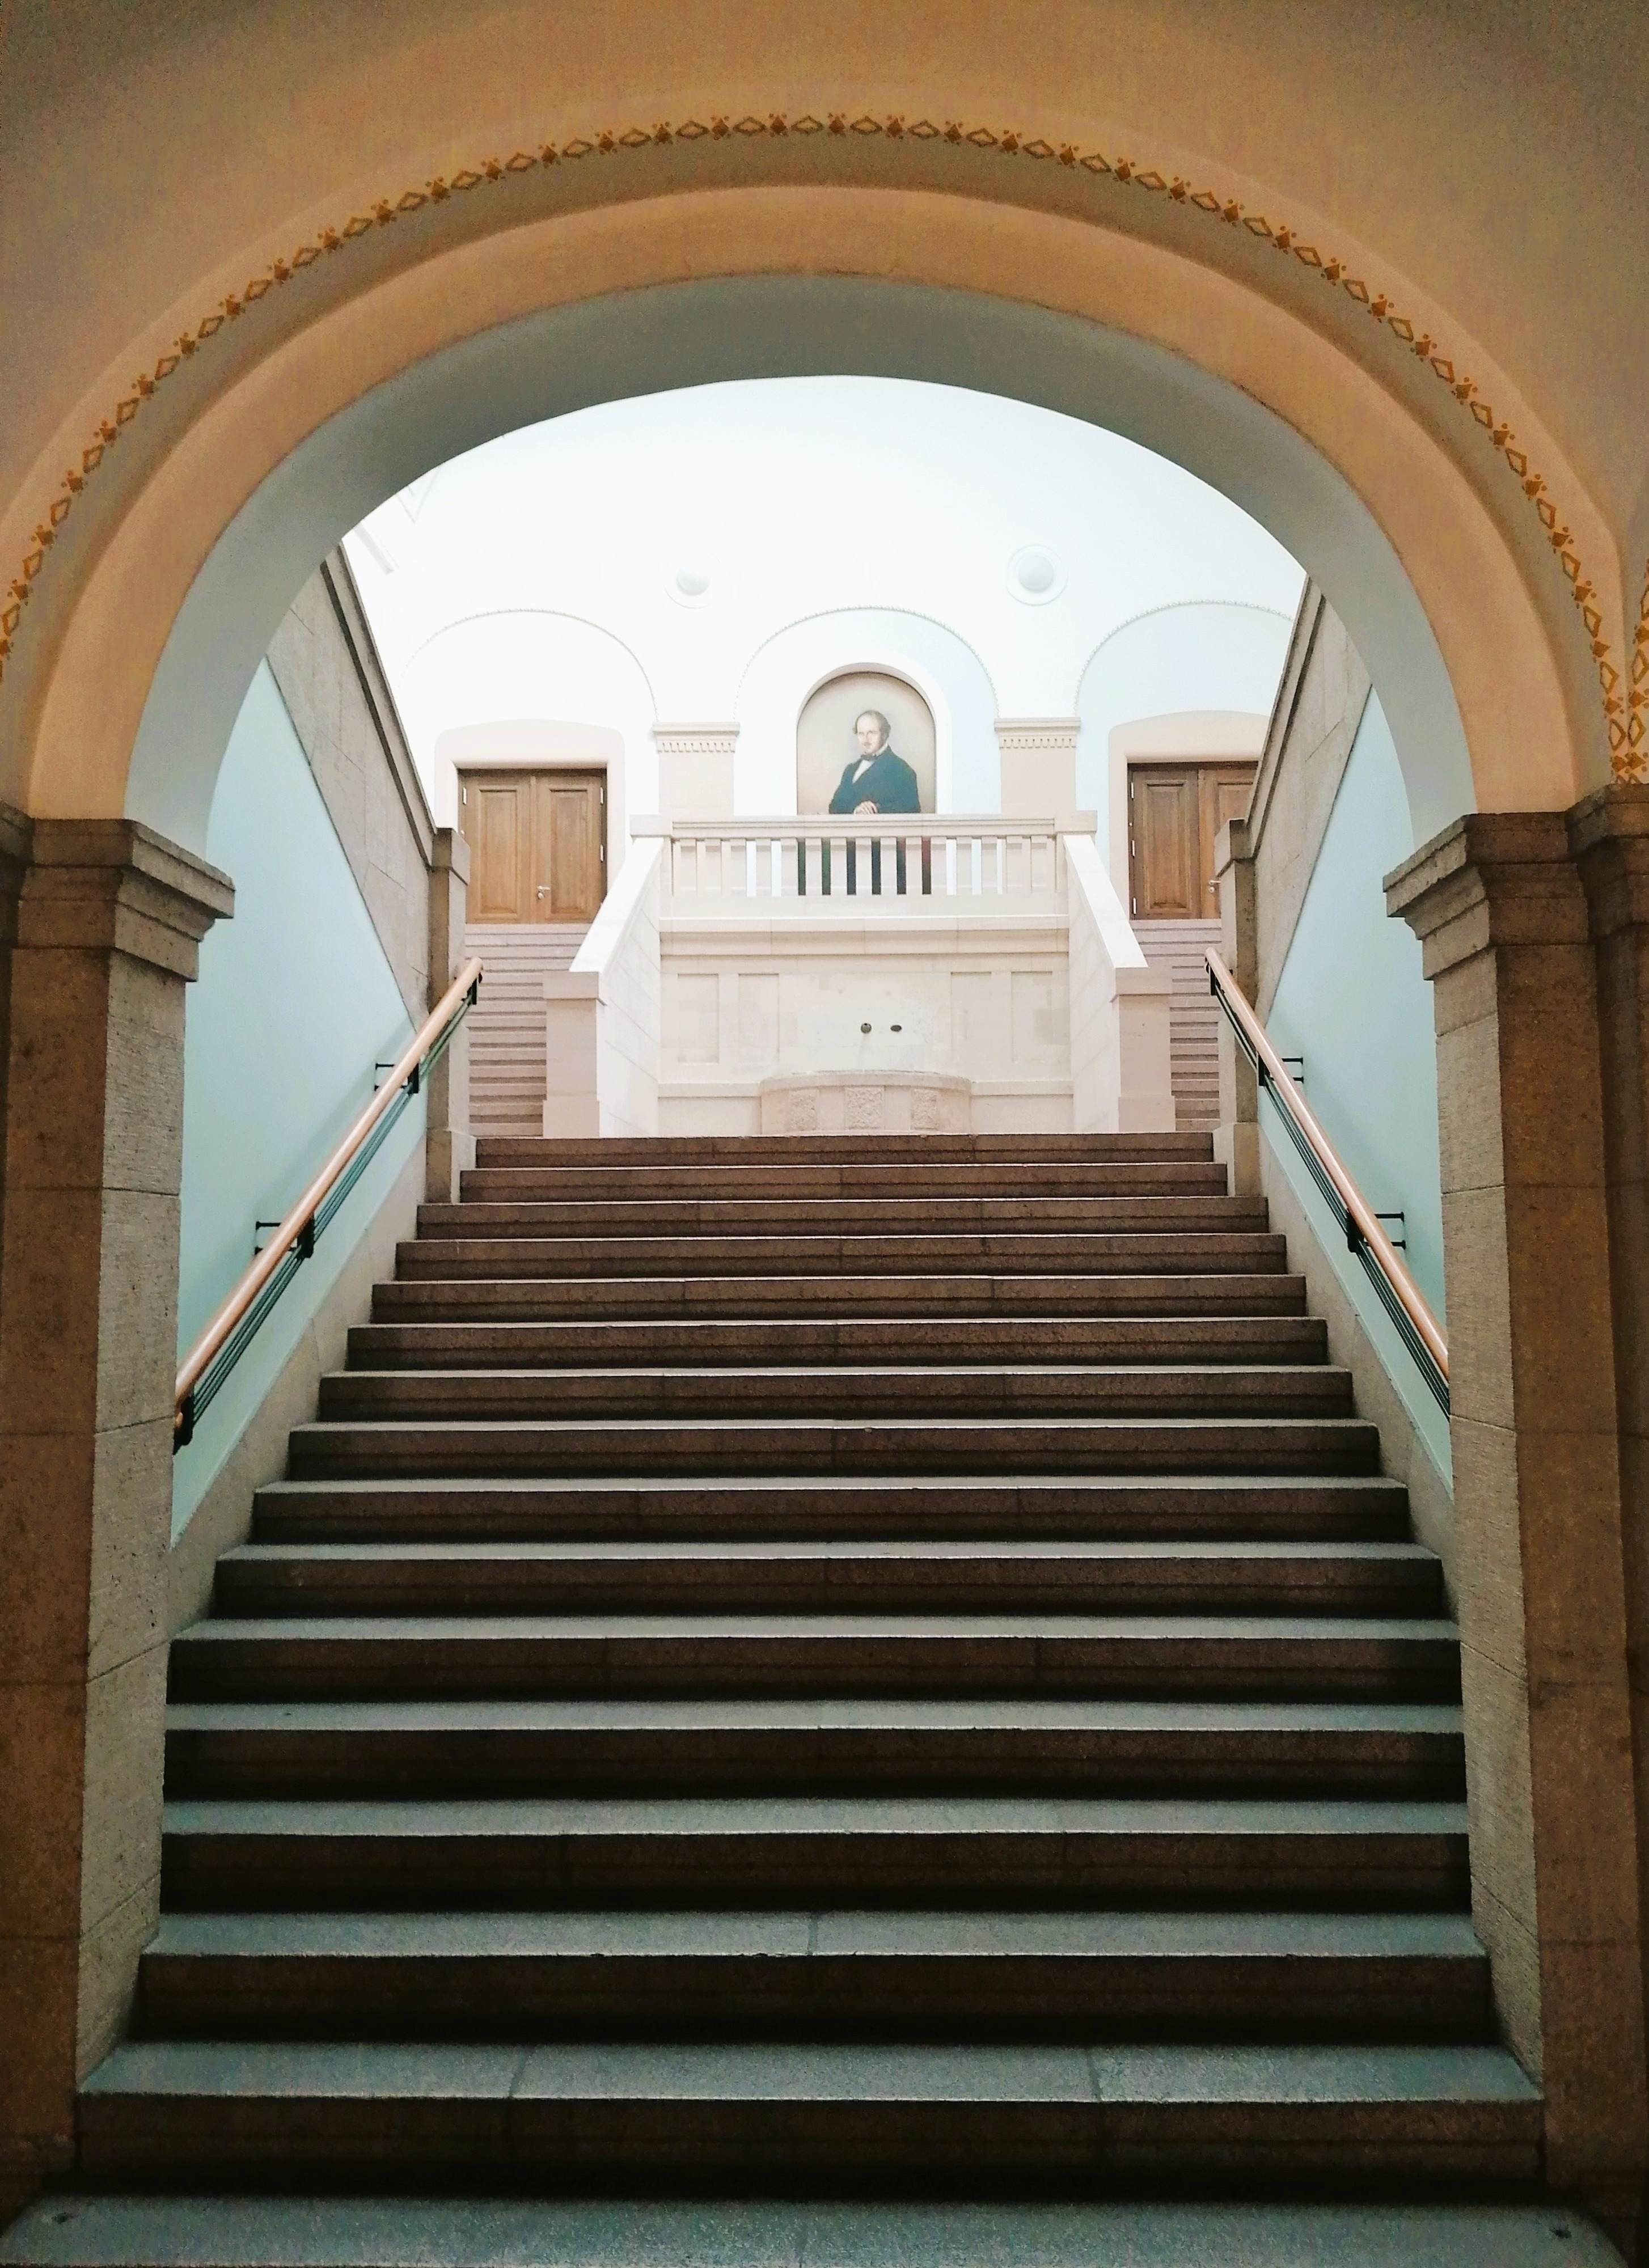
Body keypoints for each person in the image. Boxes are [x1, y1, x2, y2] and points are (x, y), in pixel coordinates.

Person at [822, 708, 923, 894]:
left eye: (872, 733)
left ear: (885, 734)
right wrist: (856, 809)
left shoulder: (902, 770)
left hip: (886, 857)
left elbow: (911, 808)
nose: (865, 739)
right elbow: (835, 806)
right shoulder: (851, 770)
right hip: (849, 856)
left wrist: (876, 809)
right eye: (861, 733)